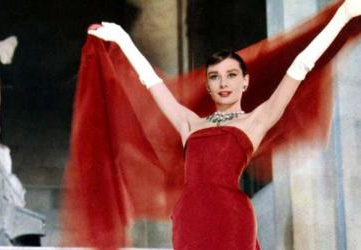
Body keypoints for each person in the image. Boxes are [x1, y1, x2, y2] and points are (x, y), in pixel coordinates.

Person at [84, 1, 361, 249]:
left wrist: (343, 16)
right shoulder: (189, 123)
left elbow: (301, 65)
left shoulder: (256, 120)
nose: (223, 83)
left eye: (231, 75)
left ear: (245, 82)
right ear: (208, 85)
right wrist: (122, 39)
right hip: (189, 217)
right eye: (215, 77)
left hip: (232, 217)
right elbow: (150, 82)